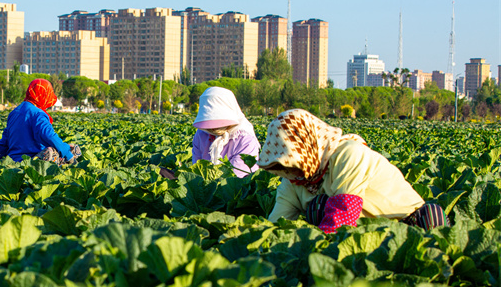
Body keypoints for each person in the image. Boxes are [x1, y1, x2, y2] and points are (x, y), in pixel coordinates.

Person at [257, 108, 447, 233]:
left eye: (292, 161)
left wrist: (322, 252)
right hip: (365, 232)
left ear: (309, 146)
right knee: (318, 208)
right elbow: (276, 225)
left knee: (431, 219)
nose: (289, 171)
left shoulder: (348, 153)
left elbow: (344, 211)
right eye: (282, 166)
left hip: (405, 222)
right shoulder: (291, 182)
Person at [0, 79, 81, 164]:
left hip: (12, 161)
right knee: (70, 149)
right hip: (30, 162)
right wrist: (68, 154)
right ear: (44, 95)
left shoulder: (14, 112)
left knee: (64, 147)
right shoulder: (38, 114)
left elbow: (4, 140)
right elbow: (49, 135)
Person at [191, 87, 260, 177]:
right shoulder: (201, 134)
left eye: (218, 123)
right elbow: (196, 169)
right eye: (209, 123)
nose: (213, 128)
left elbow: (236, 177)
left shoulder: (245, 140)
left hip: (236, 187)